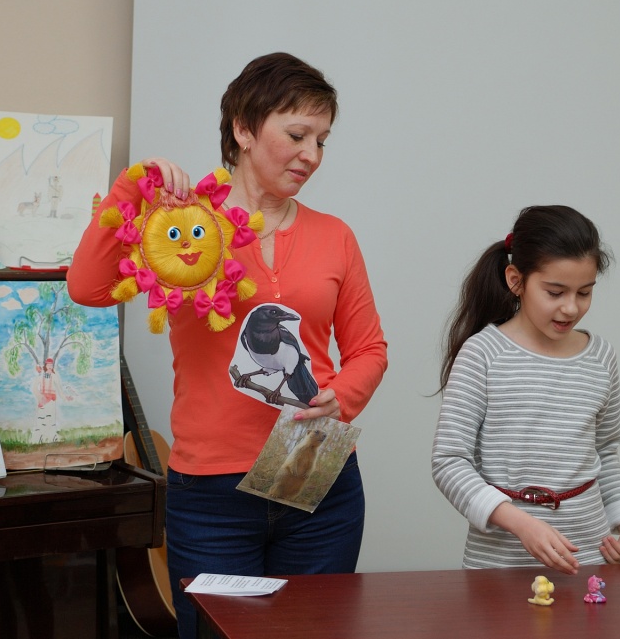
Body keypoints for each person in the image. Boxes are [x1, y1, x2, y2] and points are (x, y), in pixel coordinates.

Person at [67, 52, 388, 639]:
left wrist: (341, 397)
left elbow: (369, 349)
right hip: (211, 493)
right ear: (243, 128)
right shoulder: (182, 228)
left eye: (322, 141)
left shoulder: (335, 235)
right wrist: (129, 190)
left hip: (316, 470)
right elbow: (86, 288)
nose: (312, 156)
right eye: (297, 135)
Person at [431, 205, 620, 576]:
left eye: (584, 293)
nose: (571, 308)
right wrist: (521, 524)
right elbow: (449, 462)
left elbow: (604, 452)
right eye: (555, 292)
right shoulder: (484, 353)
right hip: (499, 565)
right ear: (516, 280)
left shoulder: (601, 357)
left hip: (587, 561)